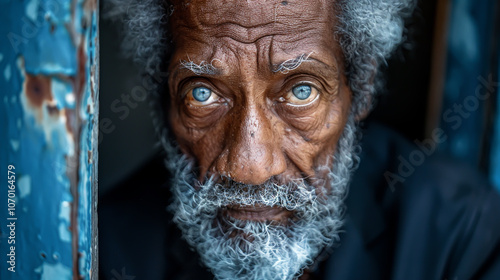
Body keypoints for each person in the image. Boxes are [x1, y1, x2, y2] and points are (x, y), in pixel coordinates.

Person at [99, 0, 500, 279]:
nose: (250, 169)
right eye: (202, 93)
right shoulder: (108, 250)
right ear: (164, 100)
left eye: (300, 91)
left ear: (358, 90)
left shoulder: (461, 237)